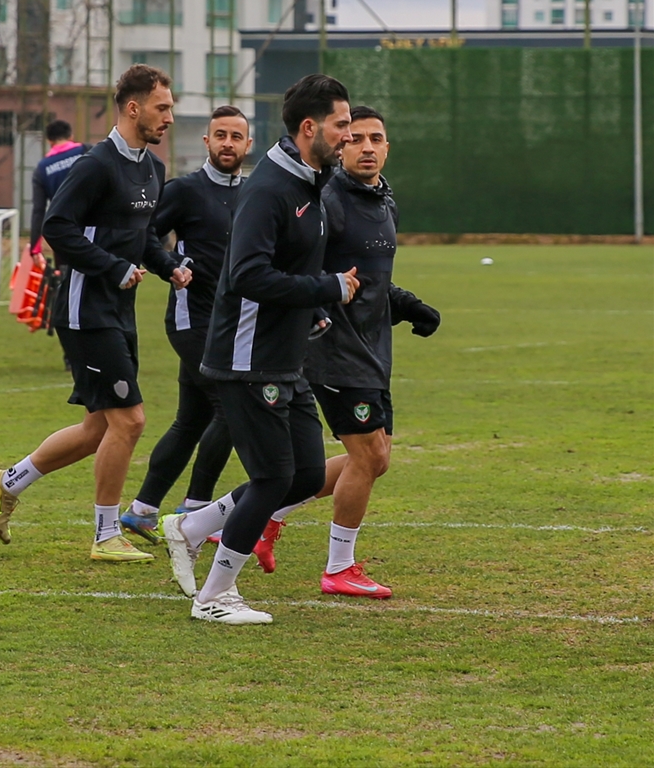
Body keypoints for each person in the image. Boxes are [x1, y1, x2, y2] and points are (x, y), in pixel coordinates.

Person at [160, 74, 360, 624]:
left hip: (283, 357)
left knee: (304, 472)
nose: (350, 135)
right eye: (343, 125)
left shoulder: (312, 184)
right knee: (274, 476)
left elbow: (292, 267)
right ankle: (215, 596)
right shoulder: (271, 187)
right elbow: (247, 274)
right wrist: (326, 288)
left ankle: (191, 527)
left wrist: (314, 307)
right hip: (245, 359)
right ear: (309, 128)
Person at [0, 65, 193, 562]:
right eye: (163, 108)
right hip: (82, 309)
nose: (169, 117)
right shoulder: (95, 165)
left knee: (100, 426)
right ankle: (104, 536)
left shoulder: (152, 168)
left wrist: (168, 267)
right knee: (131, 421)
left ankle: (6, 481)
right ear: (134, 107)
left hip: (118, 310)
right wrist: (114, 268)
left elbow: (140, 237)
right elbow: (58, 228)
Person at [254, 106, 441, 595]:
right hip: (332, 347)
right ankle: (338, 568)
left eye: (376, 139)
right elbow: (306, 266)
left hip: (372, 347)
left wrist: (409, 306)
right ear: (340, 147)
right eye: (355, 138)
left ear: (387, 147)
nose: (367, 147)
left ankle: (268, 515)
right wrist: (315, 310)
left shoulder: (383, 199)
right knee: (367, 453)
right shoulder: (330, 199)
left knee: (375, 459)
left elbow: (372, 277)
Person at [120, 105, 252, 543]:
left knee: (191, 419)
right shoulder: (185, 190)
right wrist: (171, 264)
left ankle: (141, 510)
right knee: (232, 410)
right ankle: (196, 511)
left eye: (236, 136)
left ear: (248, 144)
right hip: (191, 320)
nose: (227, 143)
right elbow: (144, 235)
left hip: (234, 325)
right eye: (220, 135)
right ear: (207, 142)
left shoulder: (255, 194)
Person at [29, 119, 88, 267]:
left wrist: (35, 249)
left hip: (63, 236)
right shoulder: (87, 151)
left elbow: (38, 211)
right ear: (71, 136)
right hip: (94, 230)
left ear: (49, 141)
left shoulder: (42, 169)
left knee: (66, 284)